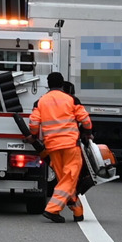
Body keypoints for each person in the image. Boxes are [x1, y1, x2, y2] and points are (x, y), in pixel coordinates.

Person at [28, 72, 93, 223]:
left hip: (52, 146)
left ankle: (78, 212)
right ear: (62, 84)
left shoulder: (40, 102)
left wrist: (33, 134)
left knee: (64, 180)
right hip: (70, 145)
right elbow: (85, 119)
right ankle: (52, 209)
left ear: (48, 84)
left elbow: (33, 124)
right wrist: (88, 133)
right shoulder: (71, 99)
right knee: (70, 178)